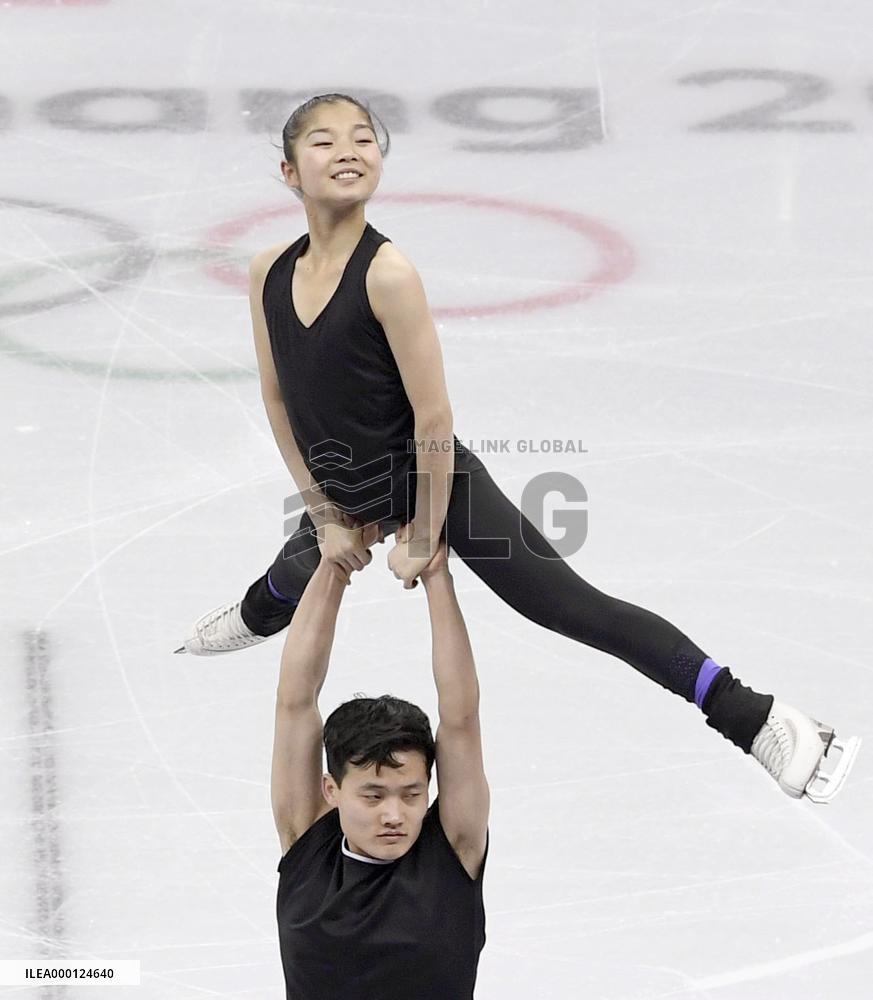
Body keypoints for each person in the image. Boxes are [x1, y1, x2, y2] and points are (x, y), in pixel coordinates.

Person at [176, 92, 859, 803]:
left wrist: (426, 530)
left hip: (432, 478)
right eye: (323, 141)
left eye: (362, 138)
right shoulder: (268, 273)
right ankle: (258, 613)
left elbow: (434, 419)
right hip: (343, 483)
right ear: (289, 171)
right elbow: (279, 397)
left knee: (569, 606)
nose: (347, 150)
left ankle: (760, 719)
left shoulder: (387, 275)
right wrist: (321, 510)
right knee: (294, 574)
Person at [271, 523, 489, 999]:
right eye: (372, 795)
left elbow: (460, 717)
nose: (395, 815)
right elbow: (295, 700)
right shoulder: (307, 841)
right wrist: (334, 565)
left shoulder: (453, 851)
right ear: (332, 790)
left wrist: (435, 573)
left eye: (412, 794)